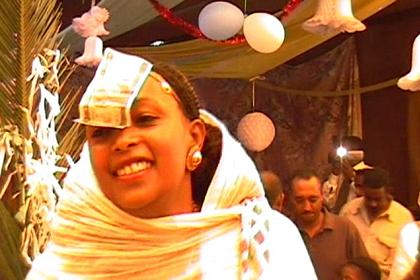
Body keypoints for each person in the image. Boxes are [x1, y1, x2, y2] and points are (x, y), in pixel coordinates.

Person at [26, 49, 317, 279]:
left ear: (194, 137)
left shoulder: (260, 241)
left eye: (145, 119)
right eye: (101, 133)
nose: (123, 141)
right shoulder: (68, 259)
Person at [287, 168, 369, 280]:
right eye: (300, 200)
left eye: (313, 200)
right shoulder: (283, 232)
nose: (307, 207)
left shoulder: (345, 229)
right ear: (291, 199)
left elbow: (366, 273)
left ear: (322, 196)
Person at [340, 167, 414, 278]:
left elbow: (408, 264)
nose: (373, 204)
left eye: (378, 199)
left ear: (389, 193)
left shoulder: (403, 220)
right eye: (368, 198)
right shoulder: (348, 212)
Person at [322, 135, 372, 214]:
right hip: (339, 218)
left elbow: (367, 198)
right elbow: (328, 202)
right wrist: (335, 175)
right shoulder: (338, 175)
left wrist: (352, 178)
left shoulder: (370, 172)